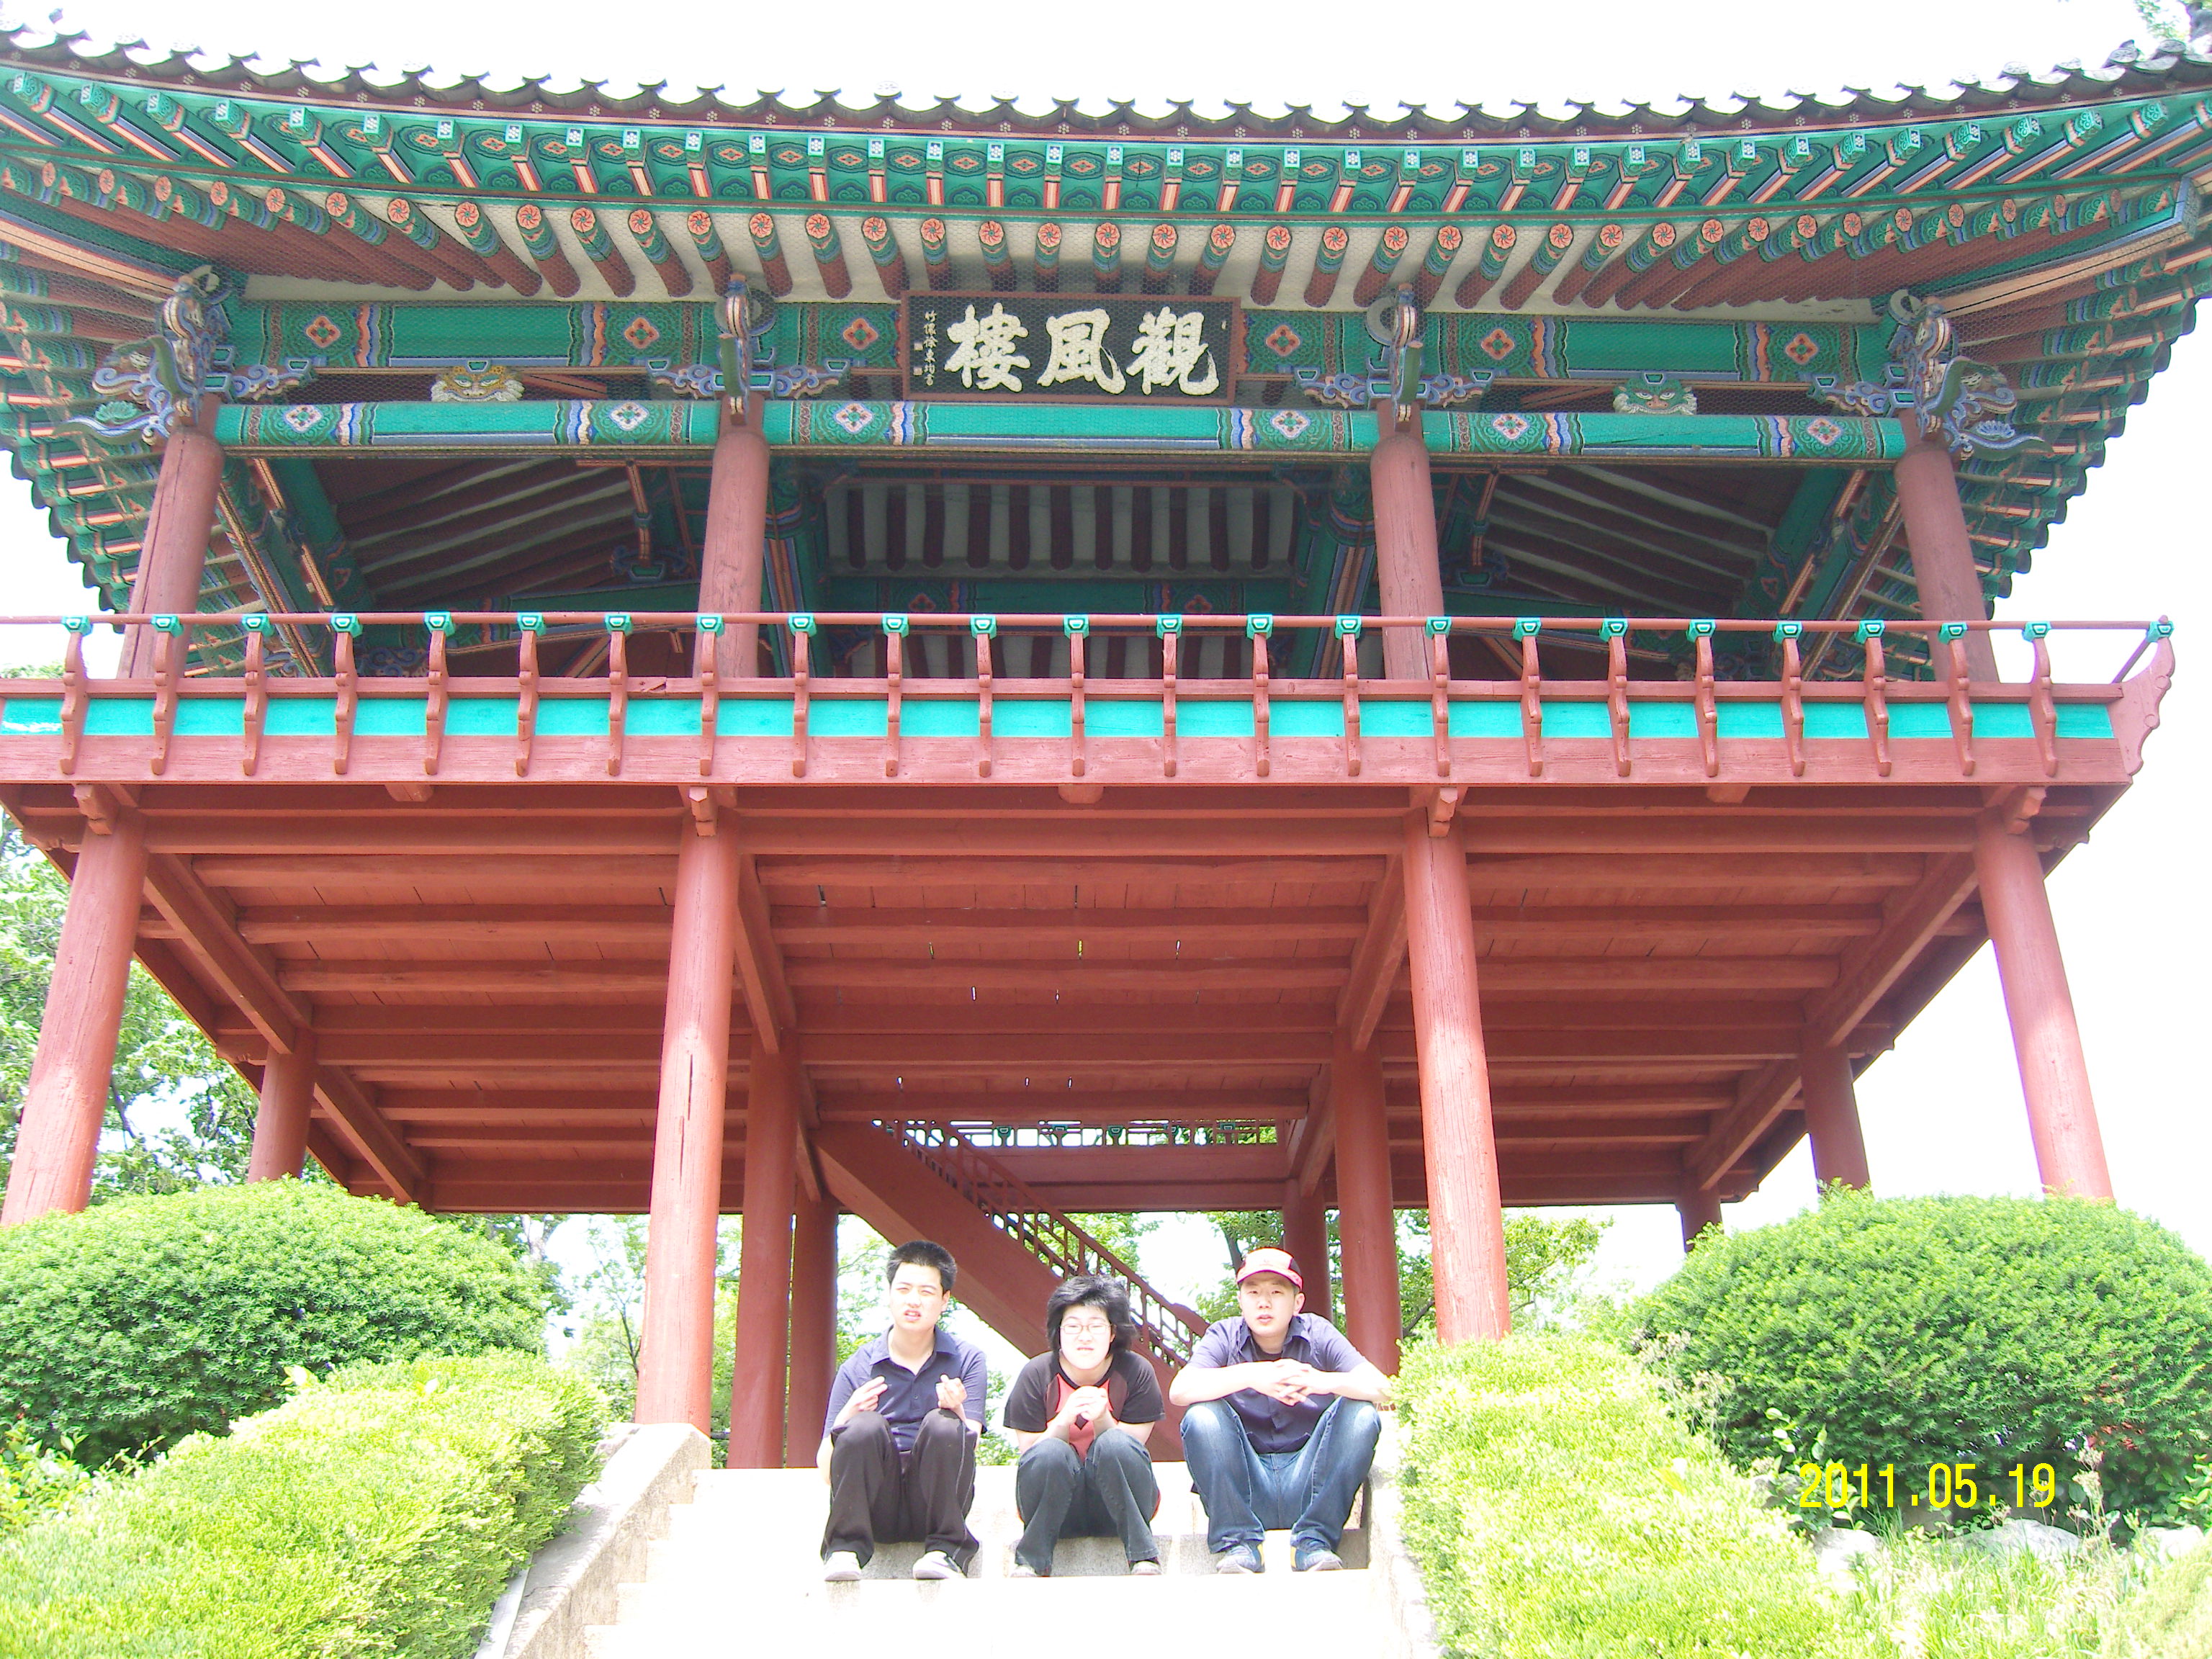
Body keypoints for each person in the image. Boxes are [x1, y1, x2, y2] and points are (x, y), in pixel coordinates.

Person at [1169, 1246, 1389, 1574]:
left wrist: (1320, 1381)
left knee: (1361, 1414)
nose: (1264, 1303)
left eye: (1276, 1292)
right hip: (1247, 1486)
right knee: (1202, 1416)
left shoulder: (1318, 1332)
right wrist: (1252, 1376)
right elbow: (1179, 1391)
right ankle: (1239, 1543)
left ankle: (1315, 1541)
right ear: (1241, 1300)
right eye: (1253, 1292)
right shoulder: (1224, 1335)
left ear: (1297, 1302)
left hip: (1309, 1482)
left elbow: (1383, 1387)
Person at [818, 1240, 989, 1582]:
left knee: (944, 1423)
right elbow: (825, 1469)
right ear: (890, 1295)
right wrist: (848, 1414)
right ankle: (845, 1550)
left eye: (927, 1292)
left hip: (935, 1503)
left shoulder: (967, 1359)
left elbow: (968, 1453)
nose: (914, 1300)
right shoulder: (859, 1366)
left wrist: (957, 1411)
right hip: (876, 1506)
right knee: (864, 1425)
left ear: (944, 1300)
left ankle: (947, 1552)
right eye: (904, 1289)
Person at [1001, 1274, 1166, 1578]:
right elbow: (1030, 1455)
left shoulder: (1136, 1371)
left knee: (1115, 1442)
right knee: (1050, 1451)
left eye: (1096, 1326)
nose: (1084, 1337)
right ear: (1059, 1332)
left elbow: (1132, 1451)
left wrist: (1103, 1419)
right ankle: (1031, 1561)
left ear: (1113, 1332)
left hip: (1117, 1506)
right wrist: (1063, 1420)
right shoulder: (1037, 1373)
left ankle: (1143, 1556)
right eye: (1073, 1326)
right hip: (1056, 1507)